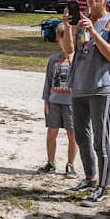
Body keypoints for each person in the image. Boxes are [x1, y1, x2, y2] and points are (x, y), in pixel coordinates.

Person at [66, 0, 110, 207]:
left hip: (100, 86)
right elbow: (71, 50)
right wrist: (72, 28)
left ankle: (103, 186)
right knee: (81, 136)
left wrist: (95, 31)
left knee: (101, 140)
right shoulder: (83, 21)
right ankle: (90, 178)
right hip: (78, 84)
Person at [38, 22, 77, 176]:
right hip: (54, 102)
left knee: (72, 135)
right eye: (63, 39)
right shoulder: (53, 59)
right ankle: (51, 162)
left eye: (70, 39)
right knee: (51, 133)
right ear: (58, 40)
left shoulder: (78, 60)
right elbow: (48, 81)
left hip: (72, 104)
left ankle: (70, 164)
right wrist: (46, 101)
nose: (67, 43)